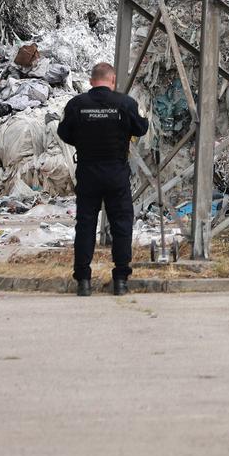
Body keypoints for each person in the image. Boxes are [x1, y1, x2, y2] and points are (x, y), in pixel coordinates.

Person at [58, 62, 149, 296]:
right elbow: (141, 129)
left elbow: (63, 133)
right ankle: (120, 280)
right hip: (116, 173)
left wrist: (83, 140)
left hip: (88, 172)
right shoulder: (125, 104)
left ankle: (83, 281)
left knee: (85, 225)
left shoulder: (77, 104)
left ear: (91, 81)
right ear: (113, 81)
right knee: (121, 224)